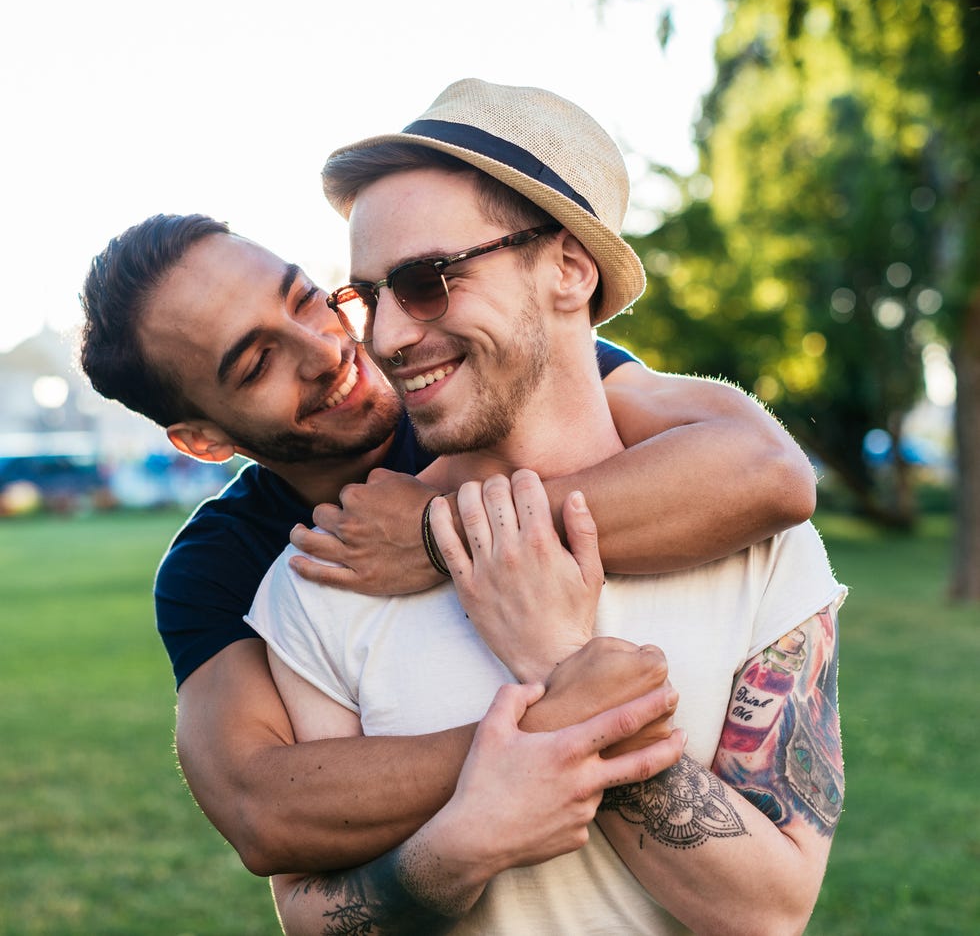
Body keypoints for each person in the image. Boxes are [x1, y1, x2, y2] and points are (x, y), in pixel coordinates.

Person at [247, 78, 846, 933]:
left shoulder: (767, 555)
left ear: (568, 267)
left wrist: (557, 659)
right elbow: (313, 917)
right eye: (367, 295)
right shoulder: (327, 575)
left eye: (426, 281)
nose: (384, 336)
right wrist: (458, 850)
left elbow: (768, 911)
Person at [78, 202, 814, 878]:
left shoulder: (481, 378)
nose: (325, 346)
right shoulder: (220, 563)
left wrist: (437, 530)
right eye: (257, 362)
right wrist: (543, 734)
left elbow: (767, 472)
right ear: (203, 440)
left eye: (303, 296)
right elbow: (260, 806)